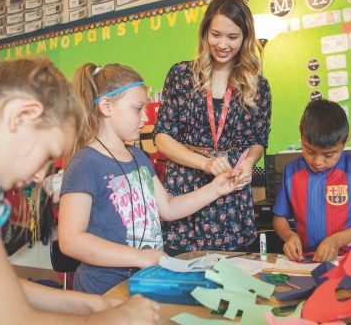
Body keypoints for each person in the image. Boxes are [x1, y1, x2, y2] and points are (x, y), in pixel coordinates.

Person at [0, 58, 159, 324]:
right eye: (47, 155)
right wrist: (109, 320)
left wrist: (94, 304)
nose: (40, 175)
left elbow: (0, 284)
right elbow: (4, 317)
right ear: (23, 116)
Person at [58, 63, 239, 294]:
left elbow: (168, 208)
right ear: (106, 106)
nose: (145, 117)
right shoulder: (85, 163)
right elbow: (71, 240)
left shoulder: (138, 156)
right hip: (103, 292)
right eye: (138, 108)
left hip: (143, 284)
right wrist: (140, 256)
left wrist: (215, 189)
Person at [153, 0, 272, 254]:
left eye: (233, 37)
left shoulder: (258, 85)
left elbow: (258, 140)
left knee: (230, 273)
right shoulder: (181, 75)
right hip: (185, 187)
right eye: (216, 34)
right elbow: (162, 137)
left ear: (245, 38)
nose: (223, 44)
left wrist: (249, 163)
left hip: (230, 189)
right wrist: (205, 163)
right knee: (183, 272)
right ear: (205, 32)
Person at [272, 100, 351, 262]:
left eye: (329, 155)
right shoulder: (292, 171)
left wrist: (337, 240)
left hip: (350, 259)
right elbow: (279, 218)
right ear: (301, 134)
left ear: (346, 141)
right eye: (309, 151)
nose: (318, 161)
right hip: (307, 260)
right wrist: (289, 236)